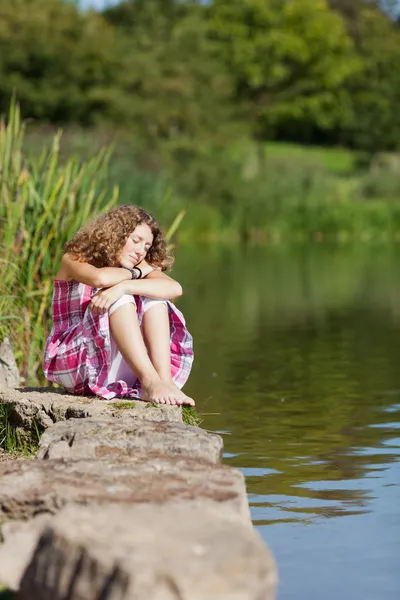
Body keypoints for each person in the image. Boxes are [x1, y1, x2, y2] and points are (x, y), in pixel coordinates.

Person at [43, 205, 194, 406]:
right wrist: (134, 277)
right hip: (74, 363)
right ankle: (149, 381)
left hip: (111, 366)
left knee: (156, 298)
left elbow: (174, 288)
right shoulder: (74, 259)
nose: (141, 251)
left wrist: (123, 287)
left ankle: (163, 381)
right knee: (121, 299)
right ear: (115, 235)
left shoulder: (134, 268)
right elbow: (100, 278)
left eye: (147, 247)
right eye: (136, 241)